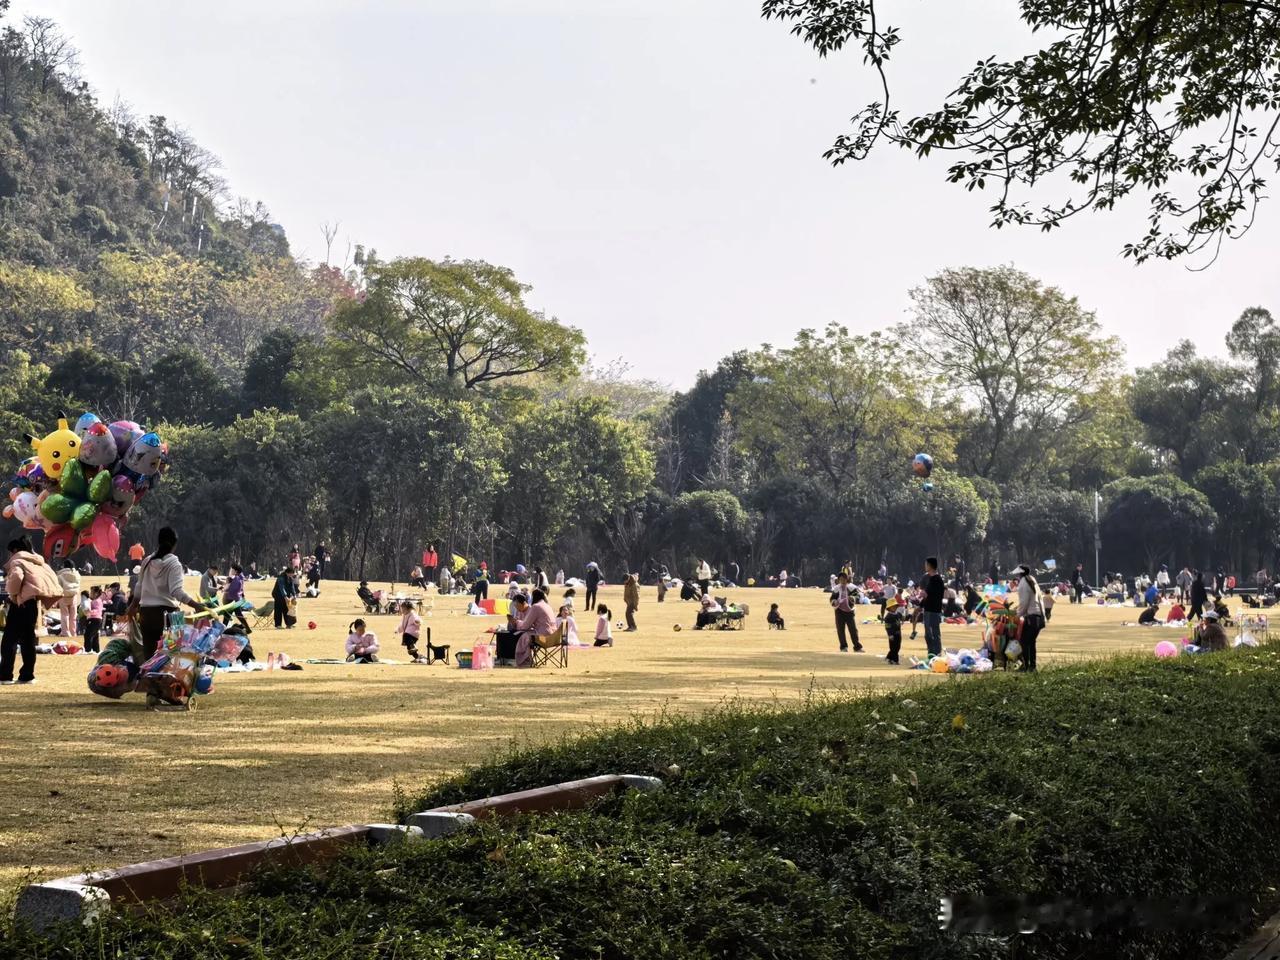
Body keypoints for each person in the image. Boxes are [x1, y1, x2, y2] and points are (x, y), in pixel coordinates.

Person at [136, 527, 206, 660]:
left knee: (149, 655)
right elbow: (176, 591)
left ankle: (148, 679)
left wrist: (132, 606)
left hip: (146, 613)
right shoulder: (175, 564)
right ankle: (167, 680)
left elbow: (139, 587)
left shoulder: (146, 562)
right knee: (173, 655)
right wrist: (196, 605)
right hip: (170, 614)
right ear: (174, 544)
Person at [2, 536, 59, 684]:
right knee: (28, 641)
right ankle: (27, 675)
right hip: (33, 604)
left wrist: (12, 594)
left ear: (15, 550)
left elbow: (16, 579)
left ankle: (5, 674)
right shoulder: (38, 562)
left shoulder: (18, 561)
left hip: (20, 603)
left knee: (9, 640)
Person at [1011, 563, 1045, 672]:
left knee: (1024, 642)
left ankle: (1025, 666)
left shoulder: (1023, 583)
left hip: (1031, 617)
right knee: (1031, 642)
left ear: (1020, 574)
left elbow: (1024, 603)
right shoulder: (1032, 580)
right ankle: (1032, 666)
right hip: (1039, 616)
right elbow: (1037, 599)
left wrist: (1017, 615)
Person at [515, 589, 556, 666]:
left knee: (523, 636)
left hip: (543, 637)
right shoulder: (547, 606)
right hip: (554, 636)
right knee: (527, 635)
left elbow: (525, 626)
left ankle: (524, 660)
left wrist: (517, 622)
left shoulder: (536, 607)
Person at [831, 572, 863, 653]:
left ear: (846, 579)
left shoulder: (851, 587)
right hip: (839, 611)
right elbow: (832, 598)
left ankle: (857, 647)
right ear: (838, 580)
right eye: (840, 579)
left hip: (849, 612)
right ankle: (843, 647)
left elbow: (857, 595)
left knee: (853, 629)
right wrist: (834, 601)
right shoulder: (836, 589)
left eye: (844, 579)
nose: (842, 581)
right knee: (840, 630)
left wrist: (853, 598)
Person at [921, 557, 945, 658]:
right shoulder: (932, 579)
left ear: (930, 566)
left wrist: (924, 594)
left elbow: (928, 594)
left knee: (932, 634)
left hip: (933, 611)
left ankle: (936, 655)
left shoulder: (936, 579)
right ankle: (932, 655)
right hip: (929, 609)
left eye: (926, 564)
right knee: (929, 634)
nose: (925, 566)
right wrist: (920, 606)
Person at [57, 559, 80, 638]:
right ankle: (73, 632)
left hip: (63, 596)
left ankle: (65, 632)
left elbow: (58, 586)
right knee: (73, 616)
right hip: (73, 596)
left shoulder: (60, 575)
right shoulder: (77, 574)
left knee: (64, 615)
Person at [83, 586, 105, 654]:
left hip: (94, 619)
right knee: (94, 635)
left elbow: (97, 610)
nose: (90, 594)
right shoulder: (96, 600)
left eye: (91, 592)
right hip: (96, 619)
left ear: (95, 593)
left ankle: (88, 649)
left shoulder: (96, 601)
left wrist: (89, 612)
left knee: (88, 634)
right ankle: (96, 649)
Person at [883, 597, 904, 664]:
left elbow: (902, 617)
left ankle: (889, 658)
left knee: (898, 647)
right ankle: (895, 660)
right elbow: (887, 627)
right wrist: (890, 634)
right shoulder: (888, 617)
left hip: (898, 633)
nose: (894, 608)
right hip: (892, 634)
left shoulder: (898, 614)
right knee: (893, 647)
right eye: (892, 606)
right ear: (889, 608)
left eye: (895, 606)